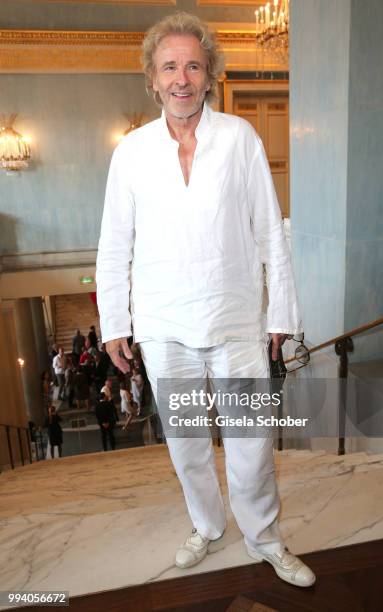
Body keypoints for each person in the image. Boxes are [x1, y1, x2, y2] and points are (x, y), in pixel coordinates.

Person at [96, 12, 315, 588]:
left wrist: (281, 313)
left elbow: (270, 230)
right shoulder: (132, 153)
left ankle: (264, 536)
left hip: (236, 320)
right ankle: (208, 525)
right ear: (152, 78)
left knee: (251, 444)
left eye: (193, 64)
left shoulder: (239, 138)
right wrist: (115, 322)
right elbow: (115, 243)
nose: (182, 78)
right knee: (188, 445)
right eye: (170, 66)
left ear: (209, 73)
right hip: (164, 328)